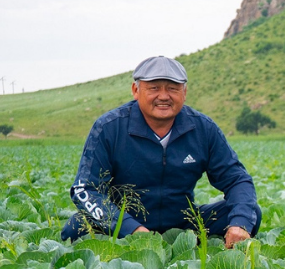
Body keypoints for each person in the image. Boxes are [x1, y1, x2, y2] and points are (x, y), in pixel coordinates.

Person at [62, 56, 260, 248]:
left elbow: (237, 179)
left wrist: (239, 223)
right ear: (136, 90)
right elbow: (85, 190)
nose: (164, 96)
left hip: (183, 224)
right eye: (154, 88)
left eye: (173, 89)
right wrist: (131, 229)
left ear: (184, 92)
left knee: (248, 215)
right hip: (124, 225)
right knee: (76, 228)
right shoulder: (109, 128)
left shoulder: (203, 128)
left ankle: (187, 245)